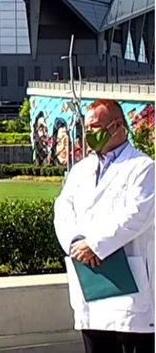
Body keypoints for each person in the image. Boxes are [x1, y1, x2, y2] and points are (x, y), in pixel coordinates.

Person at [53, 99, 154, 353]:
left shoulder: (143, 167)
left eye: (96, 127)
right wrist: (76, 243)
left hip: (129, 280)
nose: (90, 134)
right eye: (87, 128)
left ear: (118, 126)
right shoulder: (80, 170)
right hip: (89, 278)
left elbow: (137, 214)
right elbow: (63, 209)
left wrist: (96, 246)